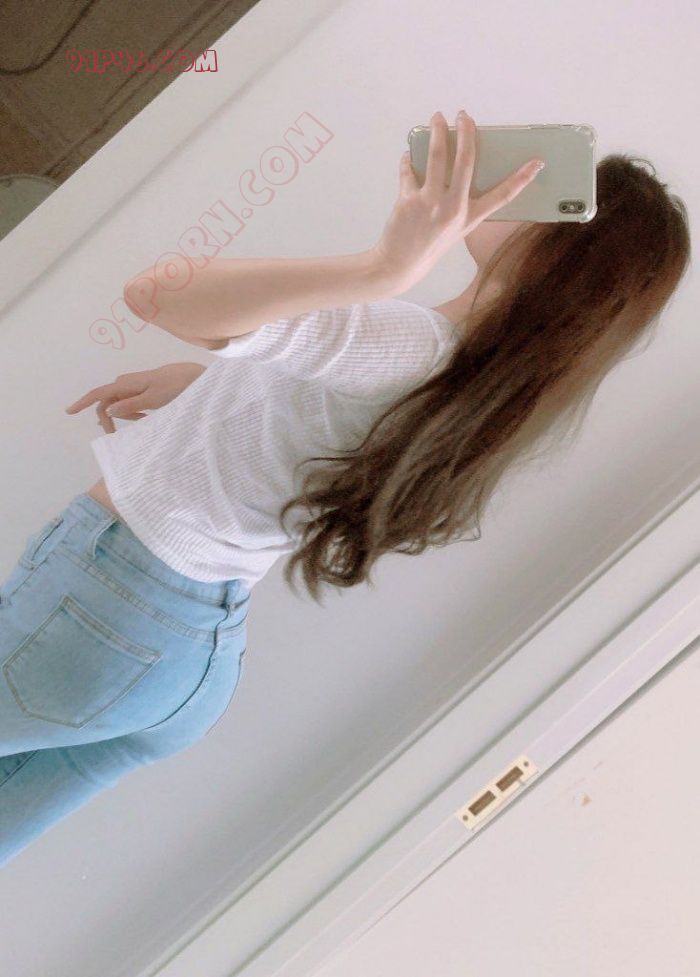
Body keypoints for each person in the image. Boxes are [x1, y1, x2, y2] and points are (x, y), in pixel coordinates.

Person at [0, 110, 690, 867]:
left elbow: (157, 293)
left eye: (551, 191)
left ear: (562, 250)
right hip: (179, 660)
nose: (513, 188)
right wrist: (207, 386)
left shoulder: (410, 341)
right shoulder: (461, 385)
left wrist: (383, 268)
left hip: (108, 610)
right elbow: (316, 431)